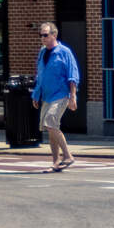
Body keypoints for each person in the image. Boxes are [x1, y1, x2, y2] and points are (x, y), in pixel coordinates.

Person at [31, 23, 80, 171]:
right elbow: (41, 75)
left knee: (50, 122)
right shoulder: (42, 53)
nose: (42, 38)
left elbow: (73, 75)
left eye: (45, 35)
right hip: (46, 96)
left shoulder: (64, 52)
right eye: (41, 35)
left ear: (54, 35)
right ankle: (55, 163)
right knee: (51, 128)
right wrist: (36, 95)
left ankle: (68, 156)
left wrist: (73, 96)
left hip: (61, 95)